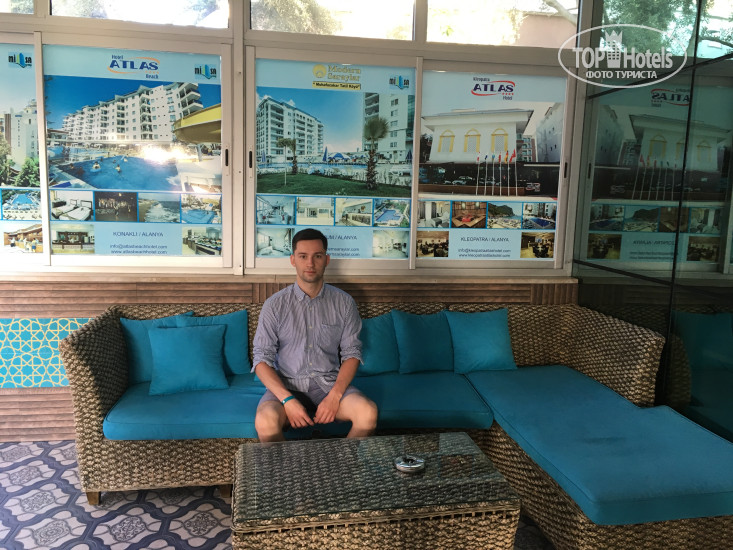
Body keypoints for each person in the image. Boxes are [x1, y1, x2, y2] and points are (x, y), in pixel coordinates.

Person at [252, 228, 378, 442]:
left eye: (317, 256)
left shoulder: (344, 302)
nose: (310, 263)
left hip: (329, 385)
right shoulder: (274, 305)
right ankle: (286, 466)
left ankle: (344, 463)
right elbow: (261, 360)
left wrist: (335, 396)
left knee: (368, 412)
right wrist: (287, 400)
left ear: (326, 259)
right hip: (287, 385)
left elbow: (352, 353)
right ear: (293, 260)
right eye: (303, 256)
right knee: (265, 420)